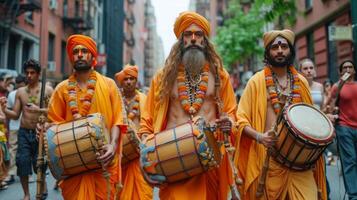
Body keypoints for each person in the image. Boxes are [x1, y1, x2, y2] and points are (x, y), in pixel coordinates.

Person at [139, 11, 238, 200]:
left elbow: (232, 112)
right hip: (173, 160)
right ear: (181, 40)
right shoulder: (163, 77)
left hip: (208, 160)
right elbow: (148, 118)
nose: (193, 38)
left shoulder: (219, 76)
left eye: (198, 34)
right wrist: (145, 150)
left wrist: (229, 123)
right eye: (188, 34)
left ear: (204, 40)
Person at [235, 29, 327, 200]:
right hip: (269, 161)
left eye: (284, 46)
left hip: (300, 164)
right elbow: (240, 120)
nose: (279, 50)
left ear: (290, 51)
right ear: (268, 52)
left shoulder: (301, 82)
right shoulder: (256, 81)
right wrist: (260, 137)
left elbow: (311, 120)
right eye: (274, 47)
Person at [45, 34, 126, 200]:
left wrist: (112, 145)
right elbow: (53, 124)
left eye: (84, 51)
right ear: (71, 57)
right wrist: (45, 128)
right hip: (74, 168)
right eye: (75, 52)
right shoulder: (61, 89)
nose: (80, 55)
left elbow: (118, 120)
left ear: (93, 56)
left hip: (103, 164)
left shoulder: (109, 85)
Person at [0, 59, 53, 200]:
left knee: (39, 164)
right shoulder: (20, 92)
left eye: (32, 73)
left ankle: (43, 186)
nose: (29, 76)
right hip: (24, 132)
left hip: (40, 132)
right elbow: (16, 115)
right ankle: (26, 194)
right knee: (22, 162)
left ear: (38, 74)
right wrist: (5, 109)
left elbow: (55, 112)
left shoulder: (47, 90)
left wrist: (39, 109)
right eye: (27, 73)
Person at [115, 64, 153, 200]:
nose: (129, 82)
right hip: (120, 154)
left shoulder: (144, 99)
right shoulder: (115, 98)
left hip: (139, 154)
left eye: (132, 79)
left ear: (136, 81)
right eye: (126, 79)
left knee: (142, 192)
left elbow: (149, 123)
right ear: (121, 81)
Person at [327, 60, 357, 199]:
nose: (347, 69)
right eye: (344, 67)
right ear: (340, 72)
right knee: (350, 161)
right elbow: (330, 107)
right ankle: (353, 195)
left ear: (354, 71)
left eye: (350, 67)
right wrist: (339, 86)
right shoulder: (336, 86)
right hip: (344, 127)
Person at [3, 74, 26, 185]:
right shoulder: (14, 94)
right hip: (15, 126)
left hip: (22, 125)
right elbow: (7, 111)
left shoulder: (13, 94)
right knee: (16, 150)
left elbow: (8, 110)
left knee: (22, 150)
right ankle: (13, 173)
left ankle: (22, 173)